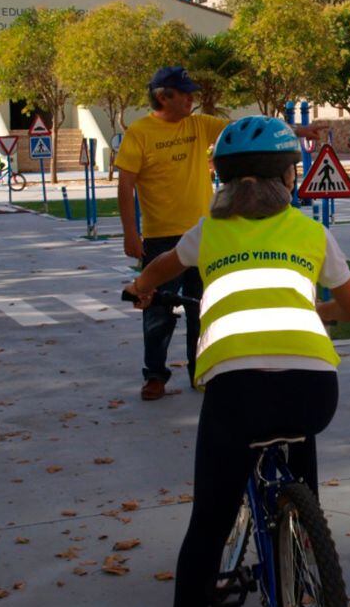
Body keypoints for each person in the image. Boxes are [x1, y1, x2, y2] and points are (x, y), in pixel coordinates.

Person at [124, 116, 350, 607]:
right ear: (289, 176)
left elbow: (159, 269)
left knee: (208, 522)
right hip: (313, 389)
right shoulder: (311, 232)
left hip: (236, 393)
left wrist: (141, 288)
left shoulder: (208, 231)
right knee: (299, 455)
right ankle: (310, 561)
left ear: (223, 180)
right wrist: (316, 311)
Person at [115, 66, 327, 401]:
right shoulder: (139, 133)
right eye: (184, 94)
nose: (191, 99)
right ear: (163, 97)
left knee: (202, 307)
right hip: (160, 236)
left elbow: (248, 128)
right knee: (157, 310)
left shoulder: (199, 124)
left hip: (204, 234)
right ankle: (155, 375)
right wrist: (130, 232)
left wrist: (300, 130)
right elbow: (125, 184)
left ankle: (201, 371)